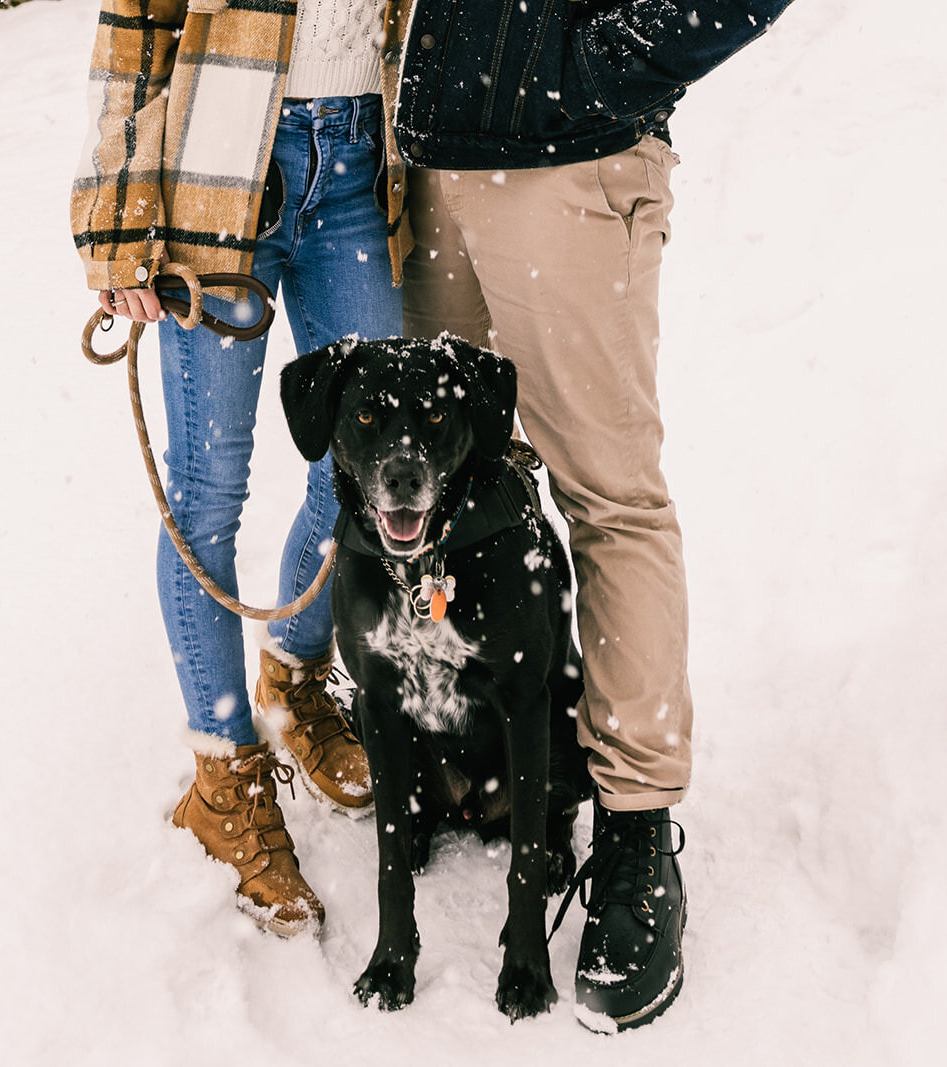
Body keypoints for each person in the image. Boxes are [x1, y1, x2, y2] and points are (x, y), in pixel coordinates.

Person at [388, 0, 794, 1030]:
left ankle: (635, 830)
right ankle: (474, 748)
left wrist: (607, 66)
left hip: (569, 156)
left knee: (608, 500)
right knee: (447, 492)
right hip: (433, 156)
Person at [70, 0, 410, 937]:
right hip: (221, 175)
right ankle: (223, 775)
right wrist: (115, 224)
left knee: (362, 469)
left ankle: (295, 680)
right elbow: (136, 28)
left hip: (355, 162)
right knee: (209, 493)